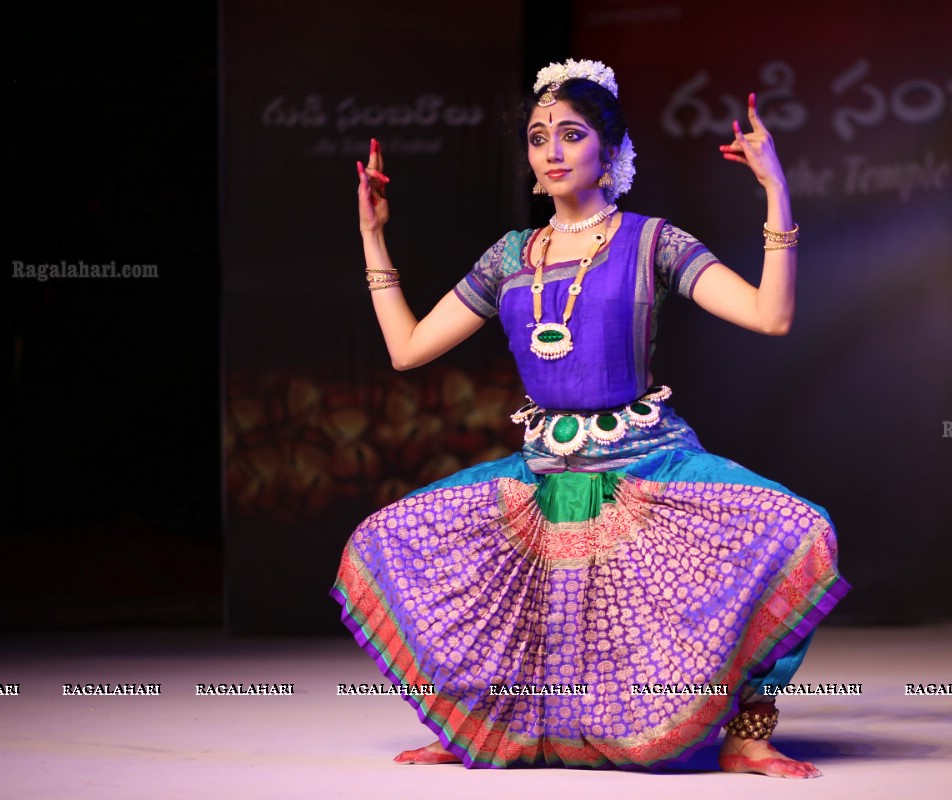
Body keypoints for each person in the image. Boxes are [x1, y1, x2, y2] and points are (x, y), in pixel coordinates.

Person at [331, 58, 849, 778]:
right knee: (388, 541)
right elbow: (407, 348)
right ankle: (474, 723)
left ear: (610, 152)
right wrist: (372, 235)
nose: (552, 149)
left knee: (799, 532)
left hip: (645, 463)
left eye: (571, 134)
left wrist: (775, 189)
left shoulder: (653, 242)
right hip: (542, 470)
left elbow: (771, 315)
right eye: (539, 136)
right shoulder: (509, 257)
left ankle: (749, 734)